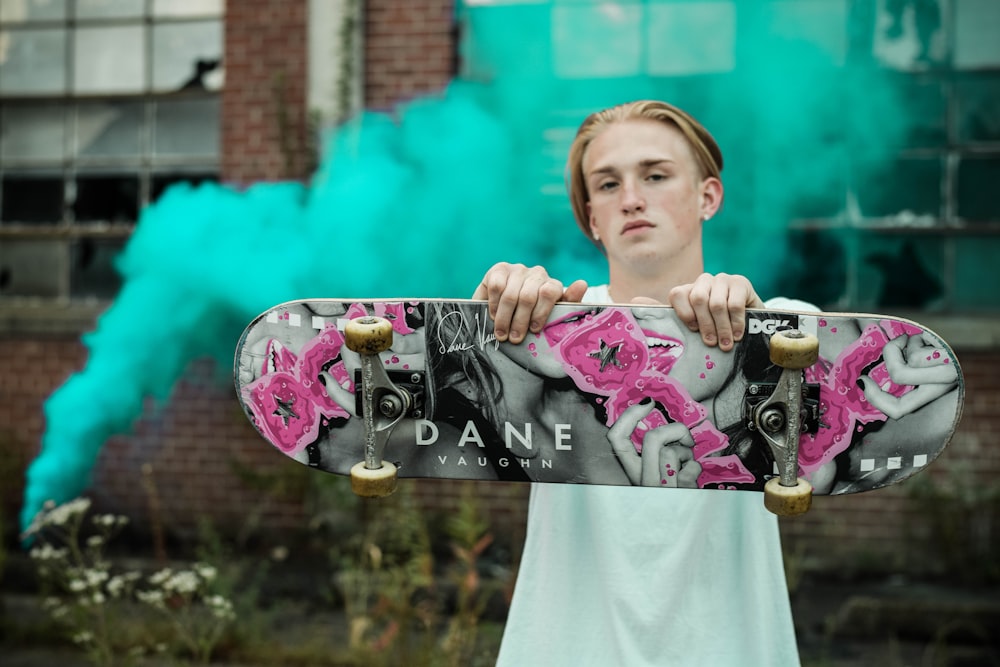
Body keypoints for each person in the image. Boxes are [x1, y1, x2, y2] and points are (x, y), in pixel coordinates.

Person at [472, 100, 807, 666]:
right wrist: (485, 322)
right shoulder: (544, 331)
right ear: (591, 219)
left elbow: (821, 432)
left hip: (731, 648)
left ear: (708, 196)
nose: (631, 197)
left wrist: (757, 339)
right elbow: (475, 396)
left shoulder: (788, 325)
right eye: (607, 185)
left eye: (655, 175)